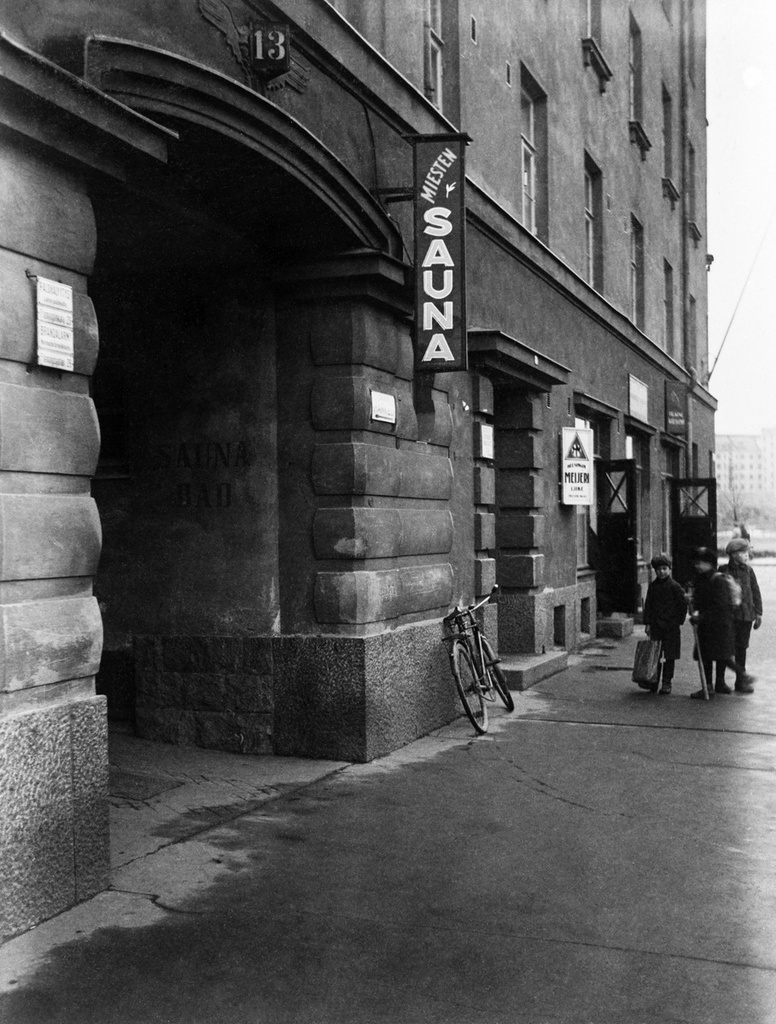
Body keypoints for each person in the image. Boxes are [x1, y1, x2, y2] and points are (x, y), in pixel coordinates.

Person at [688, 547, 756, 699]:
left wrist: (701, 617)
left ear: (709, 564)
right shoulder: (700, 579)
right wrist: (694, 609)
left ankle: (739, 676)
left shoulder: (718, 580)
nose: (697, 566)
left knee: (721, 656)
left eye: (701, 563)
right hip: (706, 626)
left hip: (719, 626)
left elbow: (720, 605)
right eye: (696, 563)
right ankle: (709, 686)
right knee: (705, 656)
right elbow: (700, 600)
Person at [719, 538, 762, 693]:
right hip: (729, 618)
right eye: (744, 552)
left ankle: (740, 682)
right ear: (734, 554)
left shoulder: (749, 571)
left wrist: (758, 613)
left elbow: (755, 591)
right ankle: (720, 682)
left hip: (746, 616)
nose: (747, 555)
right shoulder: (724, 570)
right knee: (725, 649)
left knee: (741, 648)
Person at [642, 553, 687, 695]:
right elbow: (648, 606)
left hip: (671, 627)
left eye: (664, 568)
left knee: (669, 656)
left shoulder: (675, 586)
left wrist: (678, 621)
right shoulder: (653, 586)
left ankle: (667, 682)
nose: (661, 572)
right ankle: (653, 680)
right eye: (658, 569)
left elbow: (682, 605)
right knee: (655, 654)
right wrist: (648, 623)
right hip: (656, 626)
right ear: (655, 571)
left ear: (669, 569)